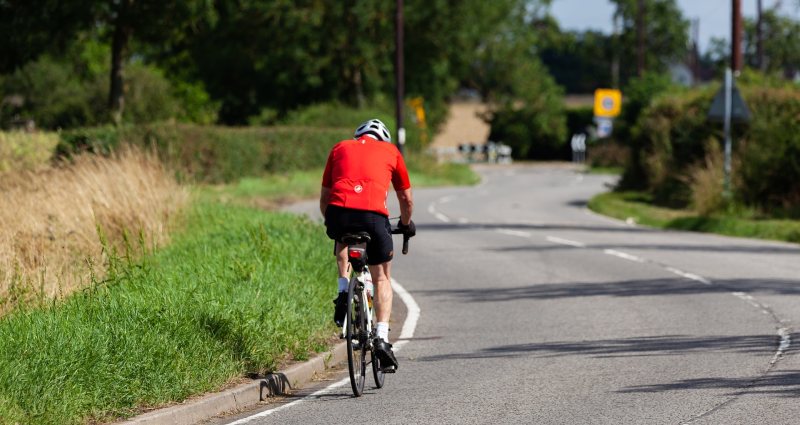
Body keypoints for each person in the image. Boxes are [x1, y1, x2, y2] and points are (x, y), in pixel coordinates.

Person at [319, 118, 415, 370]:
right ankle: (382, 337)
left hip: (338, 214)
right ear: (383, 139)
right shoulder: (391, 151)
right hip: (374, 217)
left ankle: (342, 291)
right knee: (382, 276)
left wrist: (333, 221)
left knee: (342, 239)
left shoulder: (340, 147)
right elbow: (405, 198)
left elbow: (326, 197)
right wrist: (405, 223)